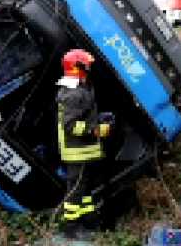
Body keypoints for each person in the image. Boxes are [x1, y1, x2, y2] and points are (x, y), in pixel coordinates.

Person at [56, 49, 111, 238]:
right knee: (76, 191)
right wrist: (94, 130)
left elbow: (83, 115)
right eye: (86, 64)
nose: (90, 67)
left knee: (85, 189)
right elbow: (70, 125)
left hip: (84, 152)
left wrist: (99, 119)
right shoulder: (73, 93)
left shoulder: (81, 88)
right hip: (76, 153)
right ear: (78, 67)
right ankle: (70, 228)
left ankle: (88, 222)